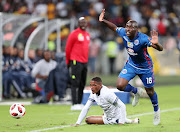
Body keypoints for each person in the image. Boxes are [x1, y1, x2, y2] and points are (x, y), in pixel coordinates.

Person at [99, 9, 163, 125]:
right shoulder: (123, 32)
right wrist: (103, 20)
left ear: (136, 29)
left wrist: (157, 43)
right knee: (120, 85)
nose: (127, 29)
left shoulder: (143, 38)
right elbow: (114, 27)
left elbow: (160, 49)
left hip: (145, 67)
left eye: (130, 27)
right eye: (127, 27)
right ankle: (136, 91)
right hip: (132, 65)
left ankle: (156, 110)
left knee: (150, 91)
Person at [75, 77, 139, 125]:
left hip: (115, 116)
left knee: (89, 120)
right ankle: (130, 121)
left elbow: (122, 105)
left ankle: (121, 120)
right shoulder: (93, 93)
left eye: (94, 85)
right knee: (88, 119)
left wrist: (121, 122)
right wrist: (78, 122)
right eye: (91, 85)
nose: (92, 87)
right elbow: (86, 107)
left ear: (100, 85)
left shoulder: (107, 93)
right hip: (107, 116)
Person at [65, 17, 90, 111]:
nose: (83, 24)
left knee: (82, 83)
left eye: (84, 22)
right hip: (75, 61)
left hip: (84, 62)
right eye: (81, 23)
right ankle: (74, 103)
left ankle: (79, 102)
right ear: (78, 24)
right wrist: (68, 62)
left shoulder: (87, 35)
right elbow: (68, 48)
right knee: (75, 82)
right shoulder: (74, 34)